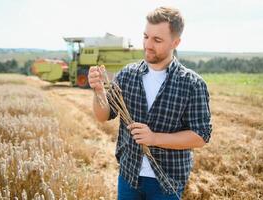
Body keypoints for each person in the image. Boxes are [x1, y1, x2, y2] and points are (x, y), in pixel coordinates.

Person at [88, 6, 212, 200]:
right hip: (129, 176)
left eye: (157, 40)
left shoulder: (192, 84)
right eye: (146, 36)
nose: (148, 44)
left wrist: (154, 138)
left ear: (176, 42)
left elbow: (201, 136)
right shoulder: (127, 75)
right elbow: (102, 116)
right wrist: (98, 91)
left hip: (166, 182)